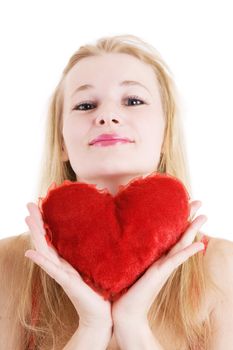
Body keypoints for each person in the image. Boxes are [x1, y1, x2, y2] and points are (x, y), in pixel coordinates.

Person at [0, 34, 233, 350]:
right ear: (63, 142)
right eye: (85, 105)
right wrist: (91, 328)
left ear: (166, 134)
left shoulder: (222, 265)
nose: (107, 116)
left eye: (133, 101)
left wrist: (134, 327)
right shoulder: (8, 264)